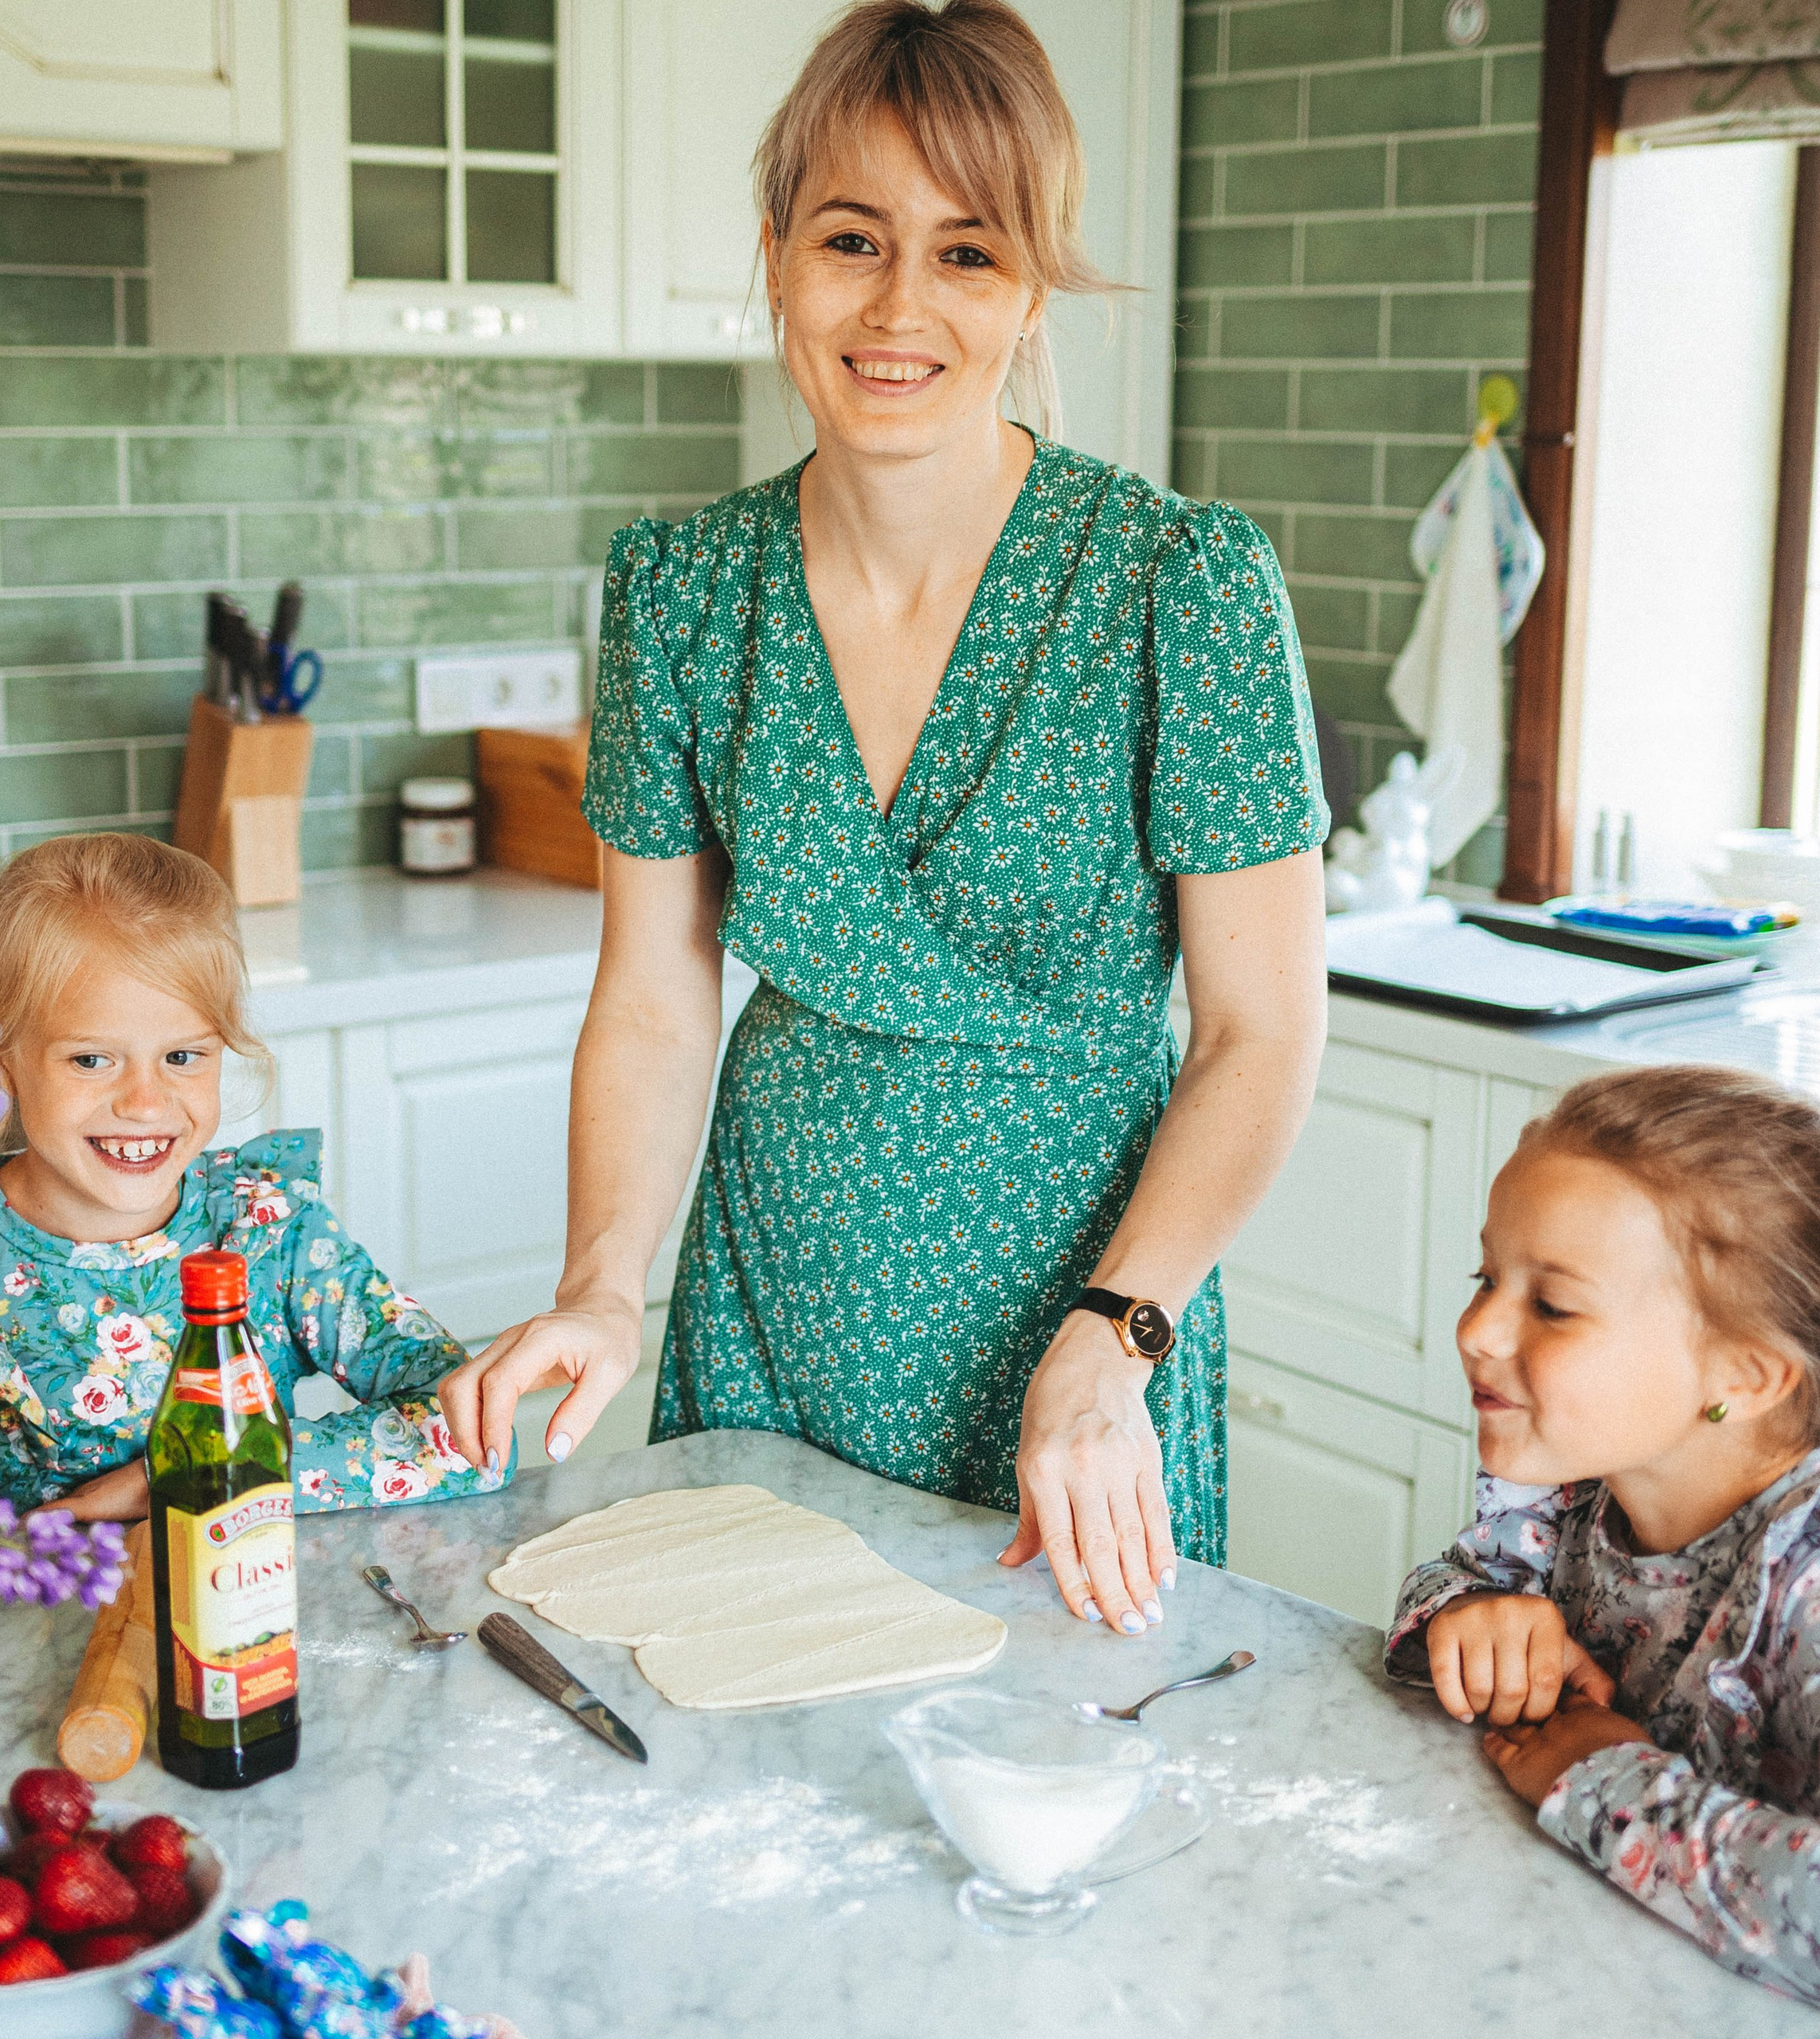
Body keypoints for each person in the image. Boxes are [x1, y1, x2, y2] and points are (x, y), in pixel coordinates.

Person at [440, 0, 1329, 1639]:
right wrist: (598, 1282)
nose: (898, 306)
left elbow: (1258, 1033)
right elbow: (650, 992)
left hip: (1076, 1321)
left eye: (966, 253)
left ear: (1030, 282)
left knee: (1067, 1766)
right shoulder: (680, 592)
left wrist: (1115, 1330)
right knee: (752, 1771)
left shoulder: (1178, 587)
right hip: (775, 1292)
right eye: (852, 239)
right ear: (776, 251)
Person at [0, 833, 506, 1520]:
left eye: (184, 1057)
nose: (146, 1103)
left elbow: (474, 1437)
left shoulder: (273, 1228)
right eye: (92, 1060)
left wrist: (187, 1473)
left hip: (243, 1623)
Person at [1387, 1064, 1820, 2006]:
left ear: (1745, 1376)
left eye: (1551, 1306)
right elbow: (1449, 1581)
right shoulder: (1576, 1477)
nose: (1475, 1329)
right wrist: (1473, 1610)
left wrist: (1595, 1775)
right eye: (1485, 1277)